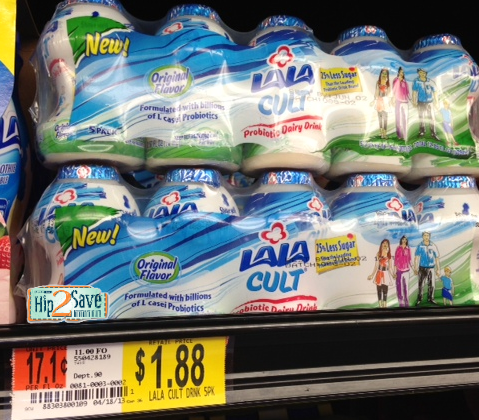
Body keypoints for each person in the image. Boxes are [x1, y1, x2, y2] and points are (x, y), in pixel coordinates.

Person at [411, 68, 440, 141]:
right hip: (421, 102)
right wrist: (414, 101)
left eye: (424, 72)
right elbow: (414, 92)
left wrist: (437, 102)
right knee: (422, 117)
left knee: (432, 118)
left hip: (430, 102)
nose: (422, 74)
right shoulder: (416, 81)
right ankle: (422, 132)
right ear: (418, 73)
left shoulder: (430, 81)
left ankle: (434, 133)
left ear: (426, 73)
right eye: (421, 72)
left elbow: (435, 92)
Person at [414, 231, 440, 305]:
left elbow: (437, 258)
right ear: (423, 236)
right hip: (422, 268)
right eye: (425, 235)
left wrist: (438, 269)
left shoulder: (433, 245)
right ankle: (419, 299)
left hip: (431, 268)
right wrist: (415, 268)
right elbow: (416, 257)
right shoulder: (420, 246)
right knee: (421, 284)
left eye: (427, 235)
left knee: (432, 285)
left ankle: (431, 298)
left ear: (429, 236)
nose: (426, 237)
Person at [368, 239, 395, 308]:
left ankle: (385, 304)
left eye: (386, 243)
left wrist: (393, 275)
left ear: (388, 245)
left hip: (386, 274)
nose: (385, 244)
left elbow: (390, 267)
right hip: (379, 274)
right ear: (381, 245)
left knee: (385, 290)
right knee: (379, 290)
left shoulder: (389, 256)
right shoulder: (378, 254)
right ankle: (380, 305)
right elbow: (376, 266)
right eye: (383, 243)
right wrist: (372, 275)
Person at [371, 68, 391, 139]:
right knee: (380, 117)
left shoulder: (388, 83)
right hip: (379, 101)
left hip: (385, 101)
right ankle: (381, 133)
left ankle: (385, 133)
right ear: (380, 74)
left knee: (385, 118)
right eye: (383, 73)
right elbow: (376, 91)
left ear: (387, 75)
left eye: (385, 74)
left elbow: (389, 93)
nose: (384, 75)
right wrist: (374, 100)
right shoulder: (378, 82)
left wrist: (390, 100)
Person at [392, 67, 410, 140]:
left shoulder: (405, 82)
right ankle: (399, 135)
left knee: (405, 118)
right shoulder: (396, 80)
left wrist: (411, 100)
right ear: (399, 72)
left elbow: (407, 93)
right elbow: (394, 90)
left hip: (405, 102)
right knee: (398, 119)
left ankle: (405, 135)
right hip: (398, 102)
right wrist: (393, 100)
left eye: (403, 72)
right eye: (401, 72)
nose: (402, 73)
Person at [394, 235, 413, 307]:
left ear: (407, 241)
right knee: (400, 289)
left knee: (406, 289)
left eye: (405, 240)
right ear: (401, 240)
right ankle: (401, 305)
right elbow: (396, 261)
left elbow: (410, 260)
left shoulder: (408, 249)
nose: (404, 241)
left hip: (406, 271)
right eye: (403, 239)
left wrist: (414, 268)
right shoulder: (398, 248)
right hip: (399, 271)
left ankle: (407, 305)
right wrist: (394, 272)